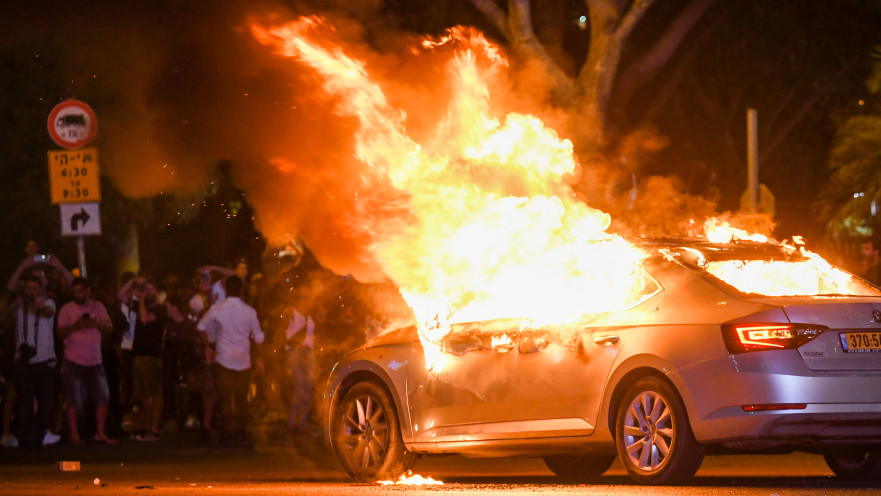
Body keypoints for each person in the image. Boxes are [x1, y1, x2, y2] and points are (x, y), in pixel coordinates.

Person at [196, 276, 263, 446]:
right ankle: (240, 433)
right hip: (243, 360)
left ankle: (226, 435)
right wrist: (260, 359)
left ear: (226, 289)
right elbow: (259, 338)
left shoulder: (218, 308)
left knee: (225, 399)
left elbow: (201, 327)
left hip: (223, 359)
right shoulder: (249, 311)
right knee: (241, 399)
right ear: (241, 290)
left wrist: (207, 347)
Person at [1, 275, 60, 449]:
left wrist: (35, 302)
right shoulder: (19, 306)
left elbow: (48, 312)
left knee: (44, 402)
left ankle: (41, 434)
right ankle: (26, 437)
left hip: (43, 361)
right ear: (23, 289)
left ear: (40, 290)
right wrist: (14, 306)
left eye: (35, 289)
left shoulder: (48, 303)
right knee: (25, 402)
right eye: (28, 289)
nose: (31, 292)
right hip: (24, 361)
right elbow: (3, 322)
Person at [57, 277, 116, 444]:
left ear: (88, 290)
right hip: (73, 360)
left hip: (95, 360)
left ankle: (100, 432)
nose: (77, 294)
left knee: (103, 397)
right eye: (74, 292)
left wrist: (96, 323)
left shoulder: (97, 306)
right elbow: (60, 333)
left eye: (80, 291)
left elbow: (110, 328)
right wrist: (76, 325)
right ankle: (75, 434)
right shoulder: (66, 309)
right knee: (74, 399)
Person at [118, 274, 164, 440]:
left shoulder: (159, 308)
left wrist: (142, 299)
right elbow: (121, 297)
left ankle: (154, 427)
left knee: (154, 392)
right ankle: (147, 425)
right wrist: (133, 282)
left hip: (151, 356)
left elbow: (144, 319)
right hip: (137, 354)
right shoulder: (137, 304)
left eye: (150, 288)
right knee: (142, 394)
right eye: (144, 288)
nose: (146, 291)